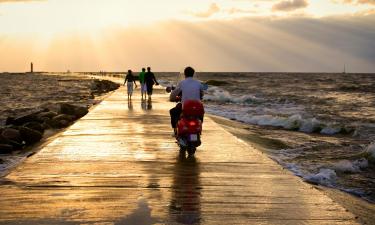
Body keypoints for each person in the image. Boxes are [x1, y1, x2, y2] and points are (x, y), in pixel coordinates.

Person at [169, 66, 204, 131]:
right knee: (201, 113)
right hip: (196, 107)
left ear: (185, 74)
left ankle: (175, 128)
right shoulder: (198, 83)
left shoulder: (182, 83)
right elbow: (202, 93)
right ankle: (200, 125)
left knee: (173, 111)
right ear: (193, 74)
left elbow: (174, 93)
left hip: (185, 107)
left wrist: (172, 98)